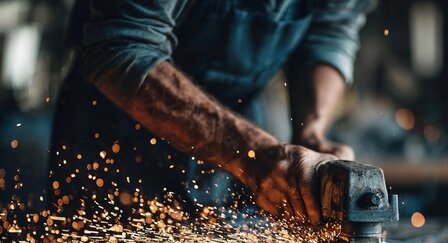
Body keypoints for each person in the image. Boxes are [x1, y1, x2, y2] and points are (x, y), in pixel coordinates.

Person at [50, 0, 371, 224]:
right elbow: (122, 47)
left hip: (243, 137)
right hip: (117, 137)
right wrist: (254, 153)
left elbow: (329, 35)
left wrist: (311, 134)